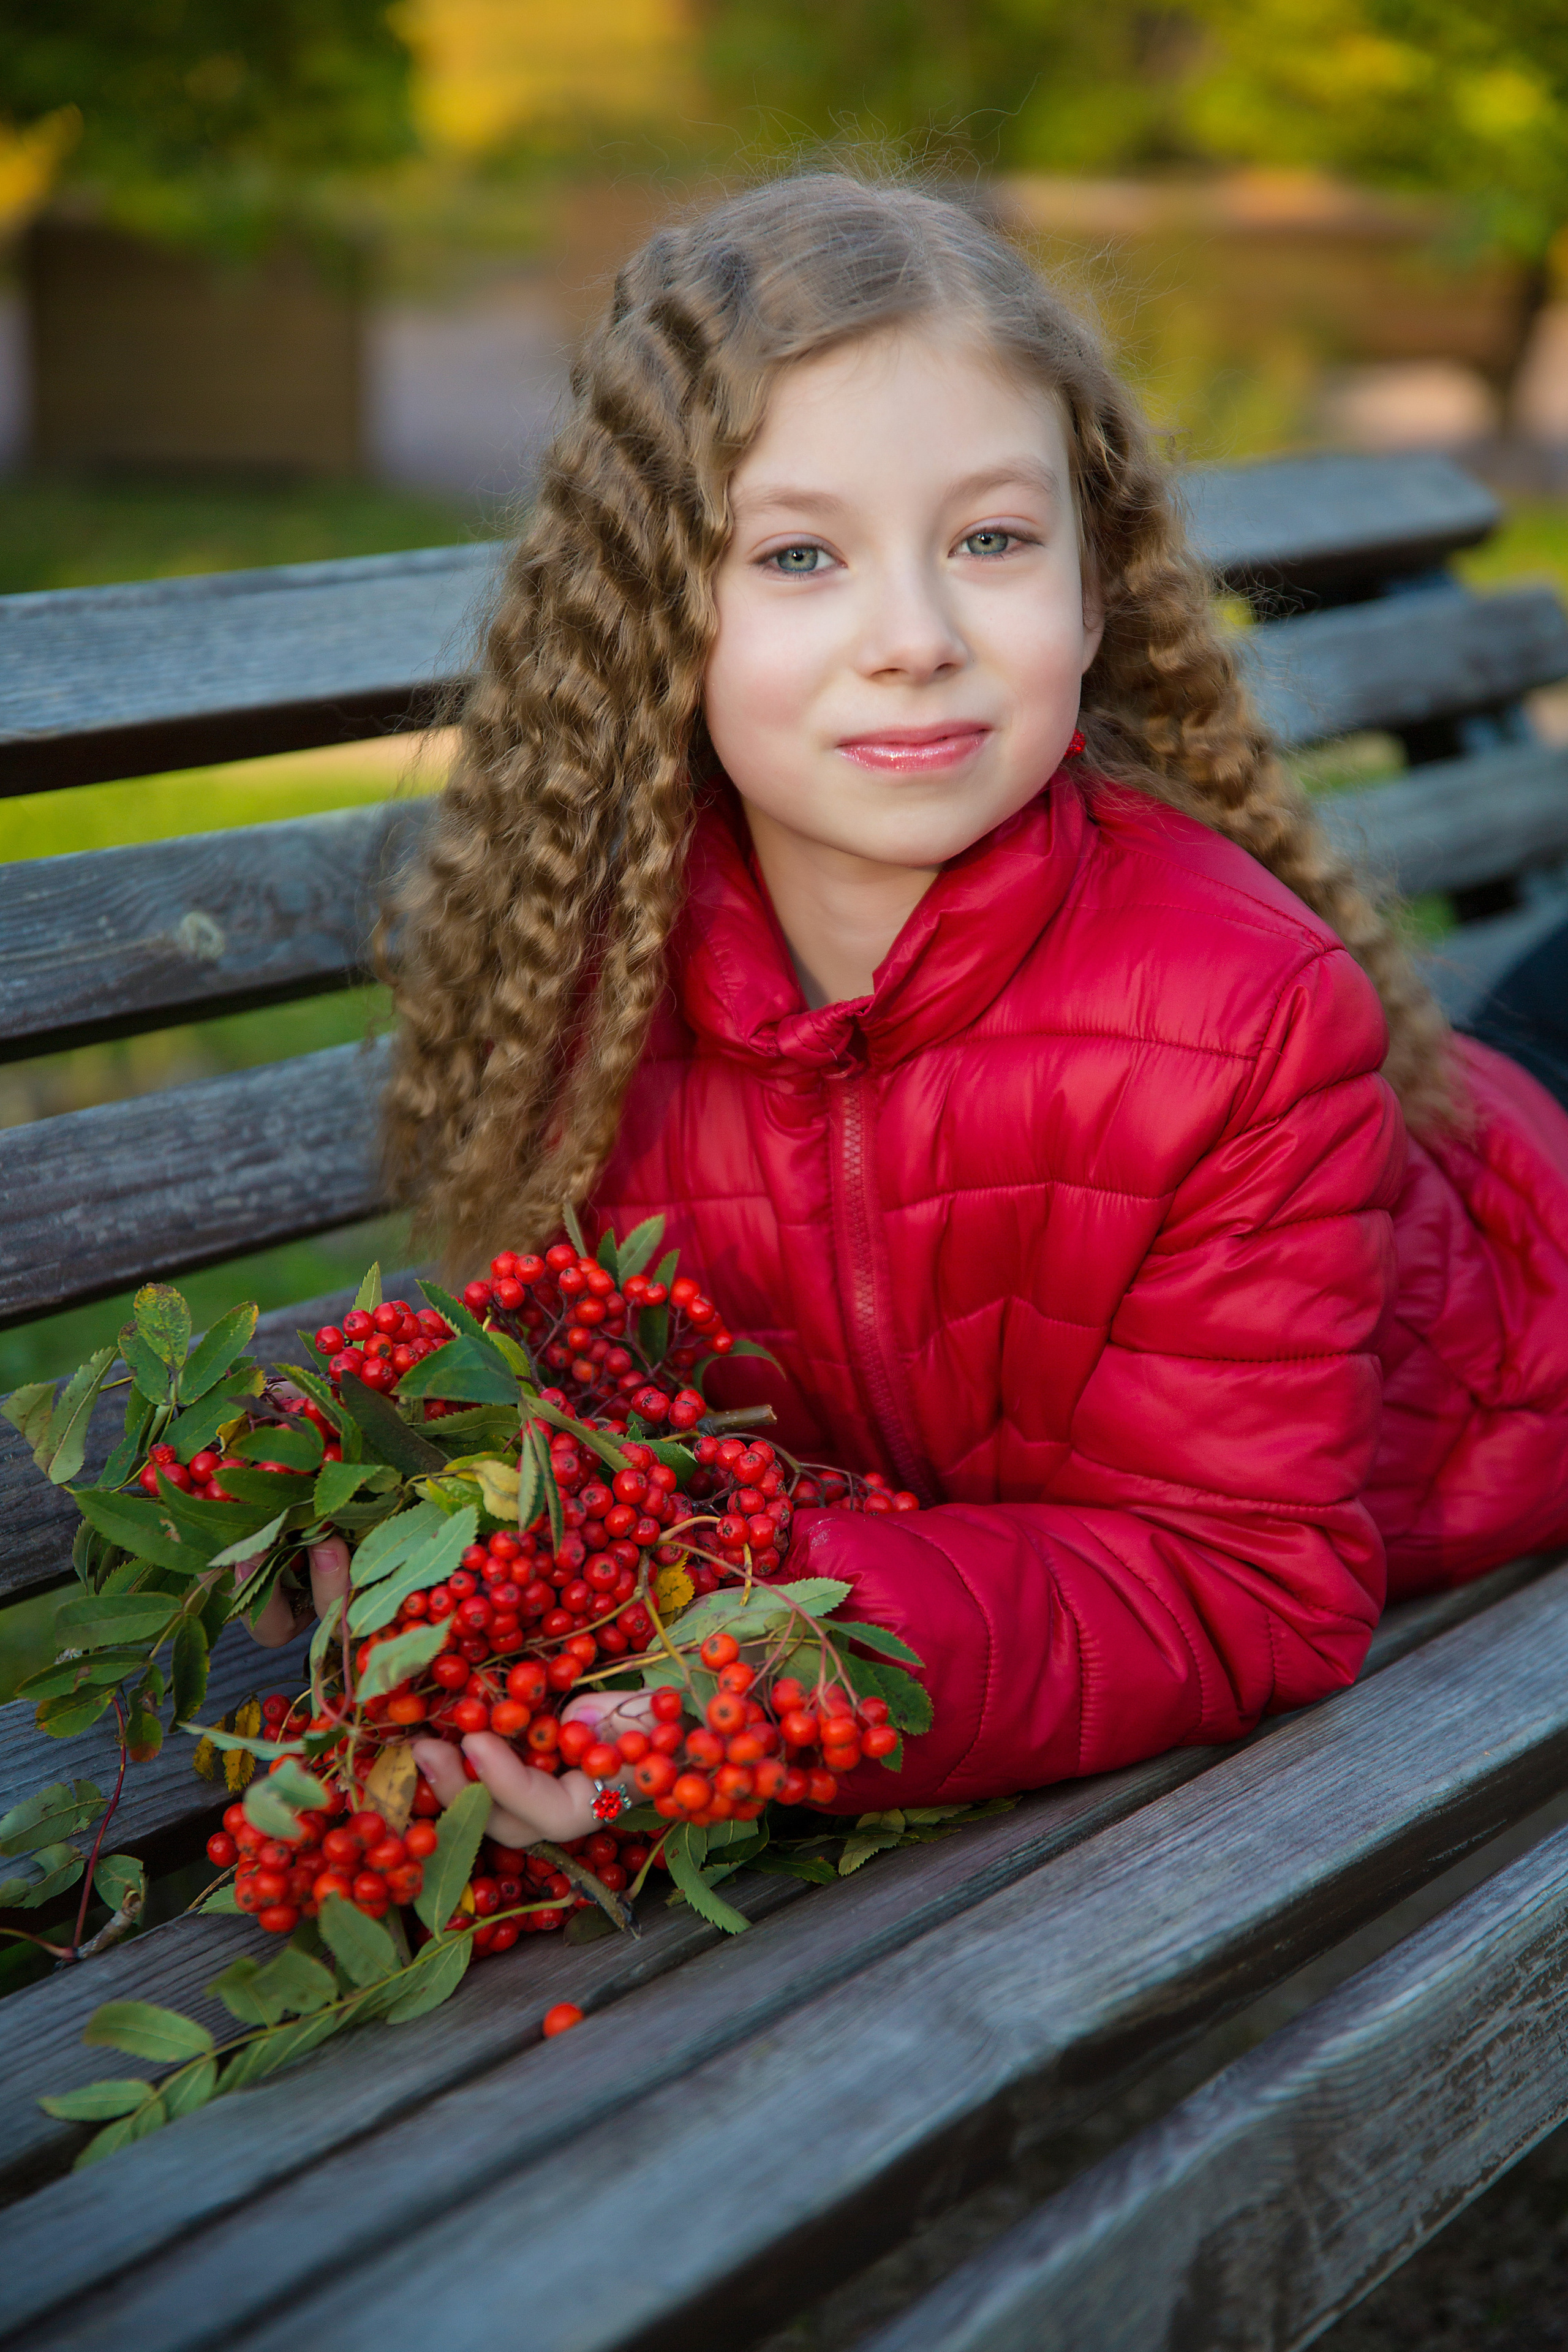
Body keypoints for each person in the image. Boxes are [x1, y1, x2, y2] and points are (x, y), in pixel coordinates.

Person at [258, 172, 1568, 1853]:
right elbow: (601, 1409)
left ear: (1094, 597)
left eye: (992, 542)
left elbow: (1247, 1583)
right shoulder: (582, 1004)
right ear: (664, 618)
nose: (917, 638)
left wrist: (752, 1653)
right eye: (801, 554)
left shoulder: (1243, 1011)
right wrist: (426, 1525)